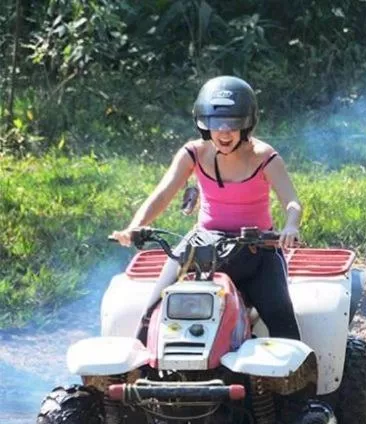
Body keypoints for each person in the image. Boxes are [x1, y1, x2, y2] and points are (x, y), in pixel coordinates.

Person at [111, 75, 302, 341]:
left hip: (258, 249)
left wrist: (291, 225)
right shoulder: (194, 153)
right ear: (204, 125)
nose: (224, 132)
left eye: (233, 124)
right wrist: (134, 227)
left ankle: (300, 382)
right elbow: (163, 193)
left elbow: (291, 201)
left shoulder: (264, 156)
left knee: (282, 320)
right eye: (216, 124)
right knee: (152, 311)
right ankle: (139, 374)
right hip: (202, 247)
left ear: (247, 124)